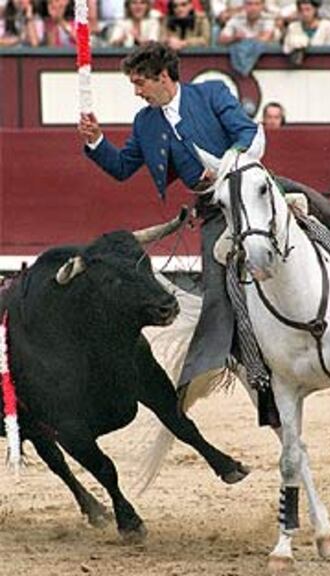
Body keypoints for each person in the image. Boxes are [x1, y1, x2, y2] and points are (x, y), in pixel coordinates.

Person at [78, 41, 266, 396]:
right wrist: (97, 142)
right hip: (213, 211)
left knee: (310, 216)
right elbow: (121, 168)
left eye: (140, 83)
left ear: (163, 77)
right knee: (217, 291)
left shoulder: (211, 94)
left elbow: (249, 135)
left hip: (249, 192)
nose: (136, 92)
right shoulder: (146, 122)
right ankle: (237, 356)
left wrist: (226, 166)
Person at [283, 0, 330, 65]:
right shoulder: (293, 27)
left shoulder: (327, 26)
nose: (305, 14)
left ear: (315, 9)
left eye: (308, 10)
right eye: (302, 10)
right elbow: (286, 49)